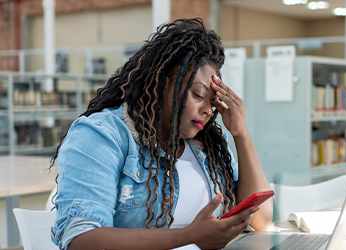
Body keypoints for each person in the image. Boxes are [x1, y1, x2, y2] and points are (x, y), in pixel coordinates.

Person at [50, 18, 273, 250]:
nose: (207, 110)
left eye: (212, 103)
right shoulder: (102, 134)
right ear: (162, 83)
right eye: (198, 95)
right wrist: (189, 237)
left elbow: (261, 220)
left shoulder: (207, 145)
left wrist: (241, 135)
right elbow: (81, 239)